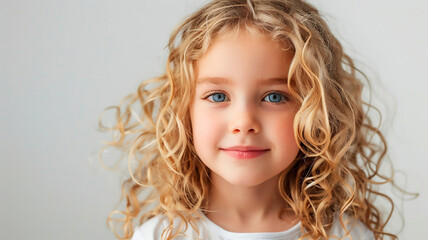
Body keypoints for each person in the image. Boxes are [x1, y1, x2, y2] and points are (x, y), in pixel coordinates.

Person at [100, 0, 398, 239]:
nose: (244, 122)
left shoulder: (347, 236)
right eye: (218, 96)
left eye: (274, 97)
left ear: (316, 111)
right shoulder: (159, 236)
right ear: (183, 111)